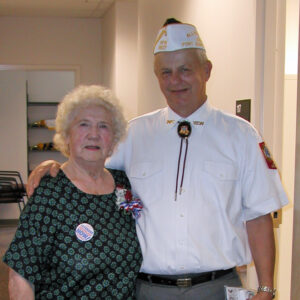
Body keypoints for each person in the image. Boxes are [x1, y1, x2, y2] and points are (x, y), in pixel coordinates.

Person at [26, 19, 288, 300]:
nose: (175, 81)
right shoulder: (132, 135)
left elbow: (258, 216)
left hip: (217, 287)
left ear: (207, 70)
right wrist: (55, 166)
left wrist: (265, 288)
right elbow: (90, 174)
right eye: (166, 72)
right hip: (147, 289)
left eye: (185, 70)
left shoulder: (241, 136)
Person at [3, 85, 143, 299]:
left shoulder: (123, 184)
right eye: (83, 124)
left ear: (114, 139)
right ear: (67, 135)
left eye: (103, 126)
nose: (94, 134)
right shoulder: (49, 192)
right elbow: (20, 275)